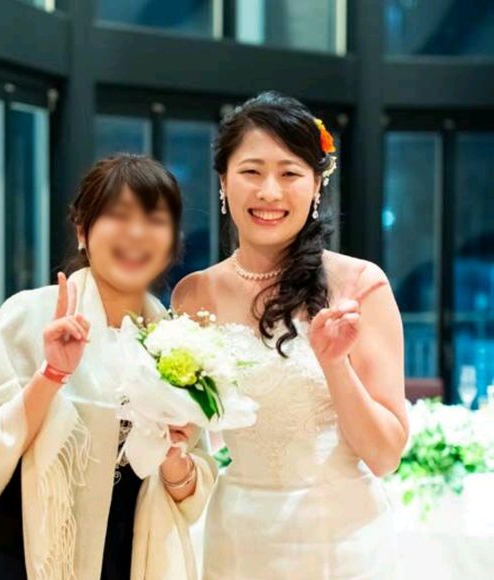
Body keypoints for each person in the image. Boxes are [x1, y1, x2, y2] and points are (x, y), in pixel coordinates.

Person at [0, 154, 216, 580]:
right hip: (17, 557)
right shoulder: (30, 315)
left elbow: (193, 490)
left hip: (125, 560)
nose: (136, 233)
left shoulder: (175, 342)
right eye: (119, 215)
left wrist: (174, 457)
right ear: (82, 231)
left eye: (154, 220)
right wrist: (51, 375)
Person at [173, 92, 408, 579]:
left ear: (316, 184)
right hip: (238, 537)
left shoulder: (360, 286)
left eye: (289, 173)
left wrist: (334, 363)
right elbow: (191, 439)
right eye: (251, 171)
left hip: (341, 539)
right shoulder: (193, 295)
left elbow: (385, 455)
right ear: (223, 181)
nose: (269, 192)